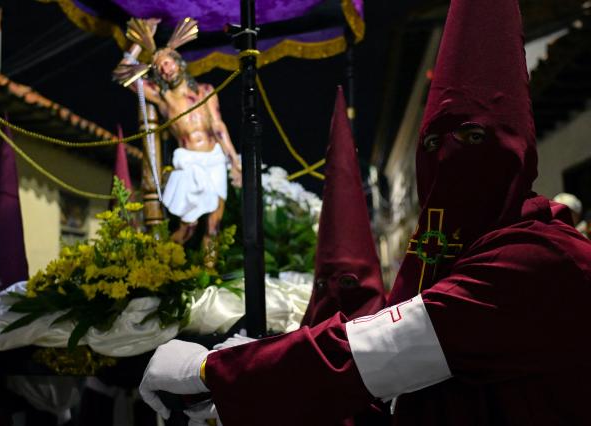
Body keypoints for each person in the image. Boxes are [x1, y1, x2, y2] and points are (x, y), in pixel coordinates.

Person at [138, 0, 591, 425]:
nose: (451, 157)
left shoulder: (542, 257)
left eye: (474, 138)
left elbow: (381, 350)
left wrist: (212, 369)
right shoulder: (458, 253)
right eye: (434, 144)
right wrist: (247, 380)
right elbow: (394, 392)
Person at [114, 18, 242, 247]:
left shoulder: (205, 91)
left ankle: (210, 277)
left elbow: (218, 126)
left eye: (168, 62)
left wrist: (233, 160)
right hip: (189, 162)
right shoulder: (162, 97)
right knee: (187, 227)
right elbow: (123, 75)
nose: (166, 68)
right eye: (160, 67)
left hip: (214, 159)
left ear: (178, 62)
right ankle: (164, 267)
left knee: (214, 226)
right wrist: (142, 41)